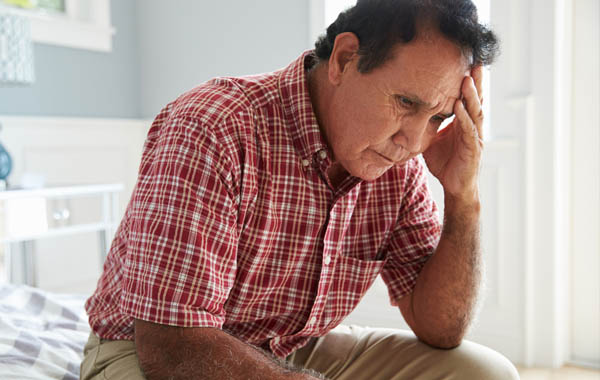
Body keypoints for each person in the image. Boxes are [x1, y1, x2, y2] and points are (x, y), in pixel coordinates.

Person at [80, 0, 520, 379]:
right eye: (406, 103)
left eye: (438, 118)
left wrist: (463, 196)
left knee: (486, 374)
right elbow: (168, 344)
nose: (414, 142)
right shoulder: (213, 127)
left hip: (290, 348)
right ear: (345, 59)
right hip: (150, 351)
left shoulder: (396, 164)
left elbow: (440, 328)